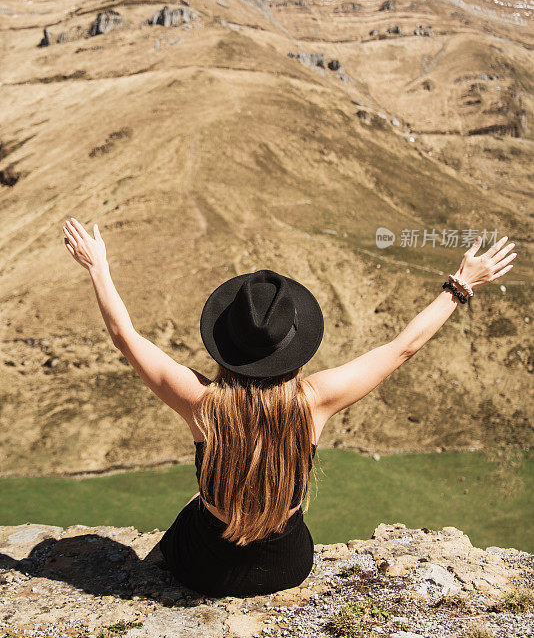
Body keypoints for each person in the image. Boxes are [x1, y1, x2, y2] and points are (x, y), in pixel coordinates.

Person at [61, 218, 516, 597]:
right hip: (283, 567)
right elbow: (402, 348)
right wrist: (460, 285)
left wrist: (98, 266)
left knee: (197, 506)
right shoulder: (314, 401)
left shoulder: (202, 404)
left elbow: (126, 337)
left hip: (202, 569)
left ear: (225, 345)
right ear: (293, 346)